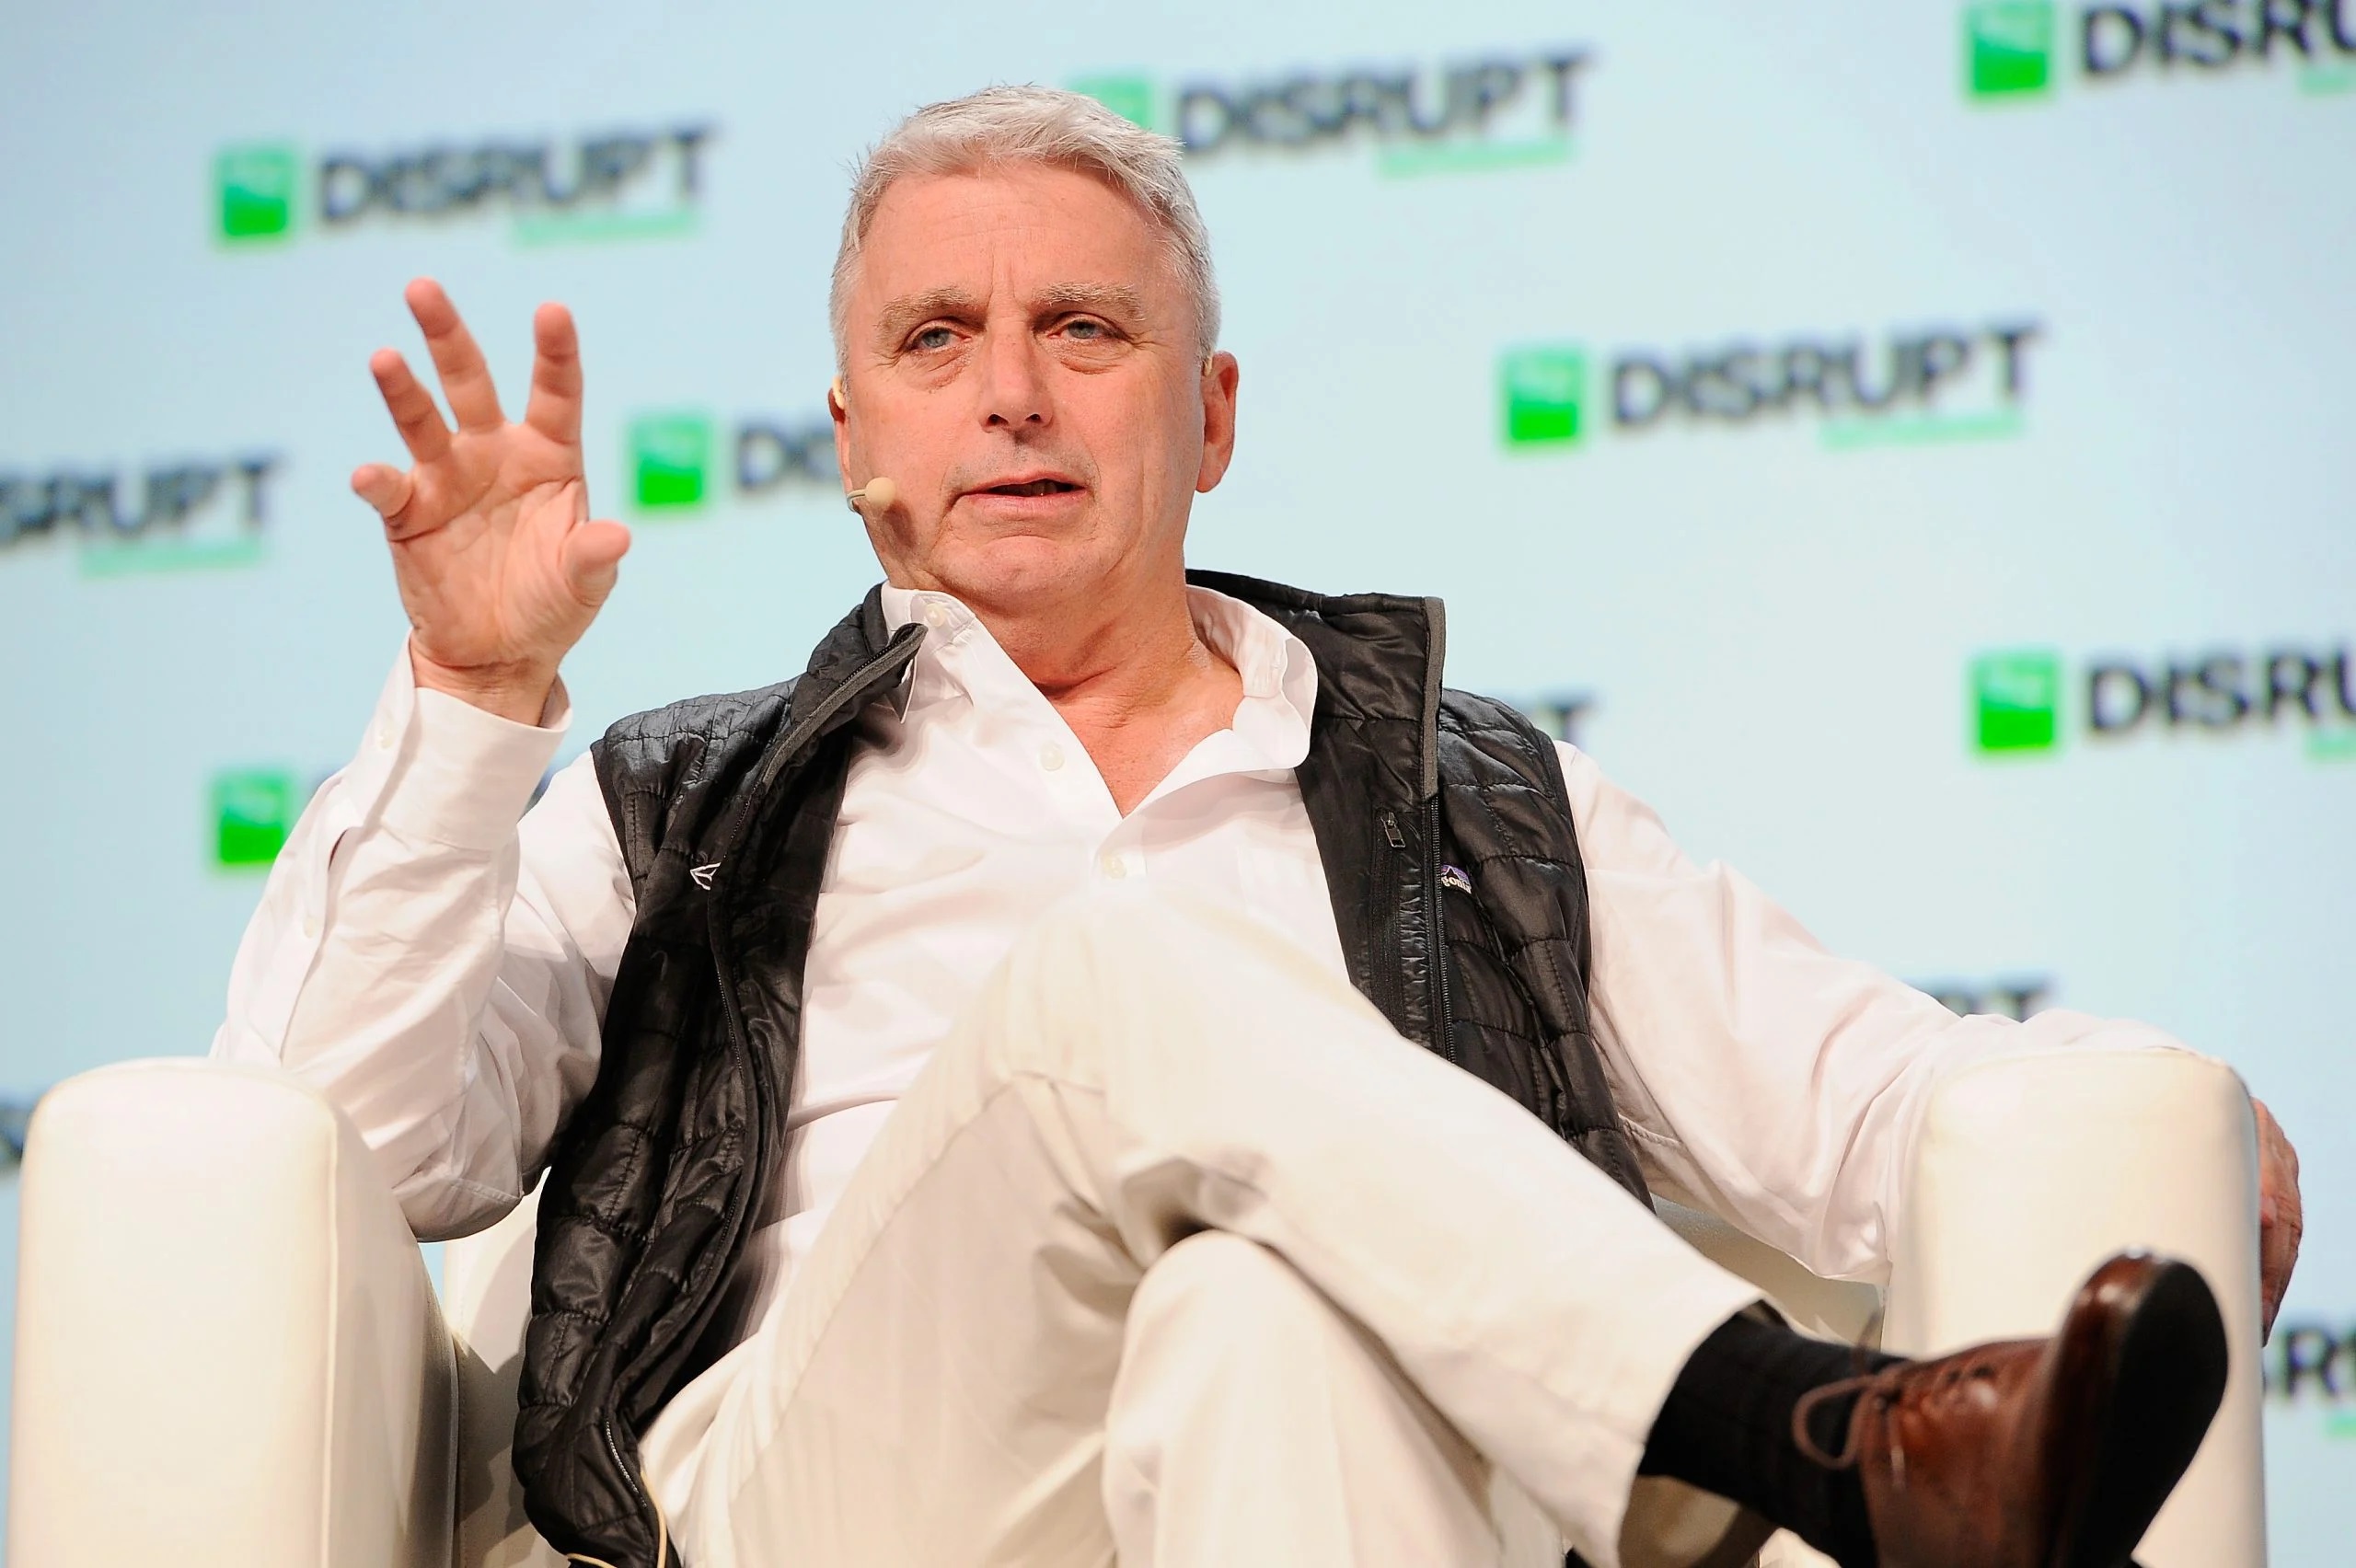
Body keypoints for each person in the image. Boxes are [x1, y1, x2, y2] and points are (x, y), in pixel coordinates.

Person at [214, 86, 2300, 1568]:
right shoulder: (689, 806)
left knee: (1261, 1312)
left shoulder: (1472, 803)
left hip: (1331, 1474)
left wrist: (2158, 1117)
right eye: (937, 340)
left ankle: (1753, 1437)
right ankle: (1783, 1437)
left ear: (1206, 414)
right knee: (1116, 977)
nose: (1012, 393)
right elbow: (340, 1148)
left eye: (1085, 330)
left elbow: (1860, 1095)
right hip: (832, 1497)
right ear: (854, 441)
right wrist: (471, 692)